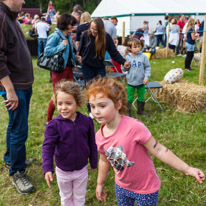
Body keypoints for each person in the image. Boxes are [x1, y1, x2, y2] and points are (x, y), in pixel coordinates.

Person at [86, 77, 205, 206]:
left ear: (118, 105)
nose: (96, 111)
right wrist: (99, 183)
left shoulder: (134, 127)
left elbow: (159, 150)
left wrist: (187, 168)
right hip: (121, 187)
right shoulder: (99, 136)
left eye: (102, 106)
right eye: (92, 106)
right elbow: (104, 160)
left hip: (146, 189)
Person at [42, 80, 98, 206]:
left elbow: (92, 143)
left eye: (68, 103)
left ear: (78, 103)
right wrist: (47, 168)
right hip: (63, 171)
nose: (63, 107)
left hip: (82, 170)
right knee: (66, 197)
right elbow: (47, 147)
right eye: (60, 103)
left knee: (79, 197)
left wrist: (93, 161)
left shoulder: (87, 122)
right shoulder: (53, 125)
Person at [0, 0, 34, 194]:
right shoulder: (1, 16)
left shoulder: (10, 16)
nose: (23, 1)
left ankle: (11, 159)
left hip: (22, 85)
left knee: (16, 126)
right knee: (19, 129)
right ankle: (17, 171)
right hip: (15, 88)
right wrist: (9, 90)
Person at [77, 17, 130, 118]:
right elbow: (79, 50)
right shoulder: (85, 35)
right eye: (91, 28)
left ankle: (101, 107)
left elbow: (113, 52)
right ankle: (91, 110)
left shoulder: (106, 37)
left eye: (95, 29)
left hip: (99, 66)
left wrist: (123, 62)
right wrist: (79, 57)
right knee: (90, 87)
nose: (92, 31)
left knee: (102, 88)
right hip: (87, 66)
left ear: (100, 29)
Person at [44, 14, 77, 123]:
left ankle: (67, 117)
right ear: (65, 25)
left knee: (70, 93)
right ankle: (49, 120)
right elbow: (47, 52)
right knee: (58, 96)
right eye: (72, 24)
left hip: (68, 69)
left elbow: (69, 54)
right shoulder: (55, 36)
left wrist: (77, 58)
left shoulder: (67, 36)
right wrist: (61, 46)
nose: (73, 27)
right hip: (58, 71)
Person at [123, 38, 151, 117]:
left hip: (141, 81)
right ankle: (128, 111)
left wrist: (146, 78)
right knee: (129, 97)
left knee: (141, 97)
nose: (138, 48)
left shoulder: (143, 57)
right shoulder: (127, 58)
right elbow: (123, 68)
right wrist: (125, 66)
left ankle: (140, 111)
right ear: (129, 48)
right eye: (135, 47)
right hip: (131, 82)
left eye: (139, 46)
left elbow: (148, 67)